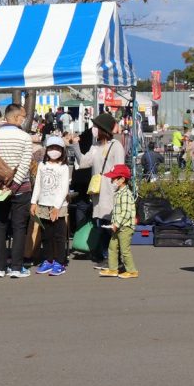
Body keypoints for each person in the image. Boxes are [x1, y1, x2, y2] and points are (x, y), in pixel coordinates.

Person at [0, 104, 35, 278]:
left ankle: (0, 267)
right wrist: (14, 185)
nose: (24, 119)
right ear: (15, 117)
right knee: (19, 227)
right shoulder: (25, 137)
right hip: (21, 189)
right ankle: (16, 267)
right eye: (23, 116)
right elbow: (25, 164)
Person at [71, 112, 125, 269]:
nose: (94, 129)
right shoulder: (95, 147)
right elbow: (83, 162)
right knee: (102, 224)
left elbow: (120, 170)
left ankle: (115, 259)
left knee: (111, 225)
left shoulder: (116, 146)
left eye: (96, 127)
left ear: (104, 129)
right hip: (98, 192)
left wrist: (118, 190)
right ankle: (105, 256)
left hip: (111, 191)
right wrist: (75, 146)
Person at [31, 136, 71, 276]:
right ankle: (48, 260)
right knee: (46, 235)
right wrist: (33, 202)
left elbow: (64, 189)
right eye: (51, 148)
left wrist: (56, 207)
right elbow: (38, 184)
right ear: (46, 149)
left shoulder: (64, 167)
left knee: (59, 235)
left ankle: (59, 262)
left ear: (62, 151)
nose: (54, 151)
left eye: (57, 148)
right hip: (43, 204)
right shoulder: (42, 165)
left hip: (59, 206)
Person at [98, 164, 138, 279]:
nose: (112, 181)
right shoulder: (119, 192)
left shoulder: (126, 194)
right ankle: (113, 269)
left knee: (125, 250)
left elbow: (125, 212)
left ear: (122, 179)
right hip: (118, 226)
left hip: (125, 227)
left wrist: (116, 224)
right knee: (112, 247)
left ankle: (132, 271)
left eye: (114, 178)